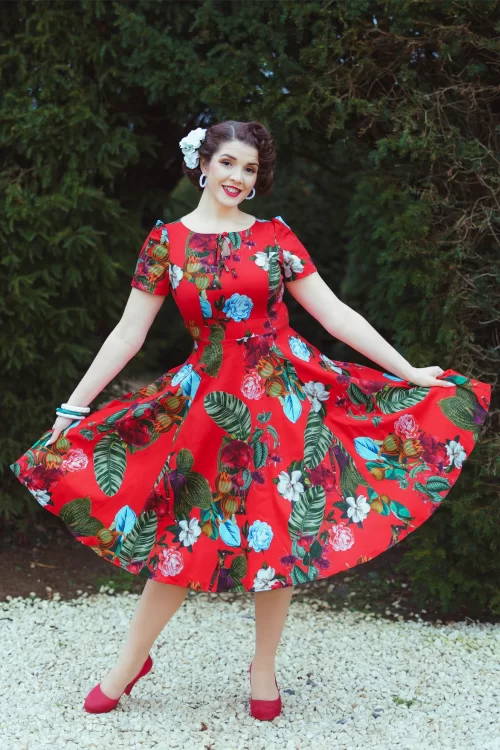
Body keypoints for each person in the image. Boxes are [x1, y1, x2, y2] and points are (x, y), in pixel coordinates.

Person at [9, 120, 491, 720]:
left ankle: (263, 669)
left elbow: (336, 315)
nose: (238, 177)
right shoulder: (166, 244)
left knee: (280, 531)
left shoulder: (274, 236)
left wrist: (408, 371)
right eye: (229, 163)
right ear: (203, 164)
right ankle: (129, 662)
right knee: (181, 532)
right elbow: (128, 335)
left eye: (251, 168)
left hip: (282, 397)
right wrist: (73, 406)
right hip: (207, 405)